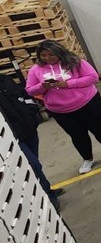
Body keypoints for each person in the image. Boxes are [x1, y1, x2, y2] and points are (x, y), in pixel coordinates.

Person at [25, 40, 101, 174]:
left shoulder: (75, 62)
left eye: (51, 55)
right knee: (77, 135)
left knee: (100, 128)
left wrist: (68, 84)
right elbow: (30, 90)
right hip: (60, 111)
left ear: (59, 52)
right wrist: (42, 86)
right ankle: (87, 159)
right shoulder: (35, 70)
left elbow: (92, 77)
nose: (47, 58)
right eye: (43, 55)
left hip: (88, 103)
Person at [0, 73, 64, 211]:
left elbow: (24, 95)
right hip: (12, 137)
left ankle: (43, 190)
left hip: (28, 130)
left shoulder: (5, 79)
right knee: (33, 166)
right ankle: (48, 197)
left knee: (34, 165)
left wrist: (32, 113)